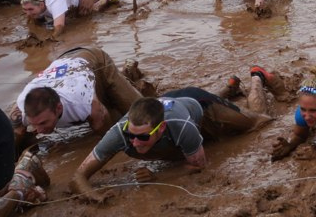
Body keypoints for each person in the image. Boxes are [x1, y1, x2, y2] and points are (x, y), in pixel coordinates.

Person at [71, 68, 284, 202]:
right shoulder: (120, 132)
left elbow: (199, 164)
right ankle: (228, 91)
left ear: (160, 129)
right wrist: (93, 195)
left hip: (199, 106)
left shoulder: (180, 125)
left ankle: (258, 77)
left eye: (143, 137)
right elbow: (78, 177)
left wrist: (159, 177)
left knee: (260, 121)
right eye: (131, 135)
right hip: (166, 106)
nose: (134, 143)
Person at [10, 46, 142, 139]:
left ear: (59, 108)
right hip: (63, 63)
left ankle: (129, 76)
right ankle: (123, 81)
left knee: (139, 114)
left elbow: (108, 136)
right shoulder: (22, 108)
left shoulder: (82, 103)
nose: (38, 130)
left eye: (43, 123)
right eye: (34, 124)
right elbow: (15, 134)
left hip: (93, 60)